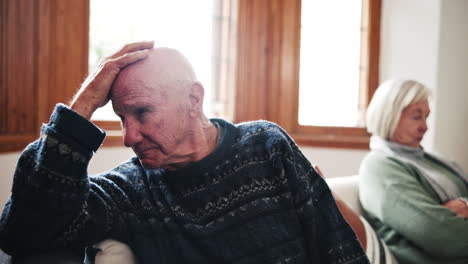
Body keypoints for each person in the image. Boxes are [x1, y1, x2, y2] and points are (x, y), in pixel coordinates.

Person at [0, 41, 369, 264]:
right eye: (120, 118)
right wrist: (80, 110)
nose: (128, 136)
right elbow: (22, 232)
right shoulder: (132, 190)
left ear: (194, 99)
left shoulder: (266, 144)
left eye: (142, 112)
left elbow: (337, 248)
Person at [359, 78, 468, 264]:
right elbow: (442, 235)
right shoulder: (379, 166)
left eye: (427, 116)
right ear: (389, 116)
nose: (425, 127)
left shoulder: (430, 159)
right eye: (416, 117)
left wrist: (463, 205)